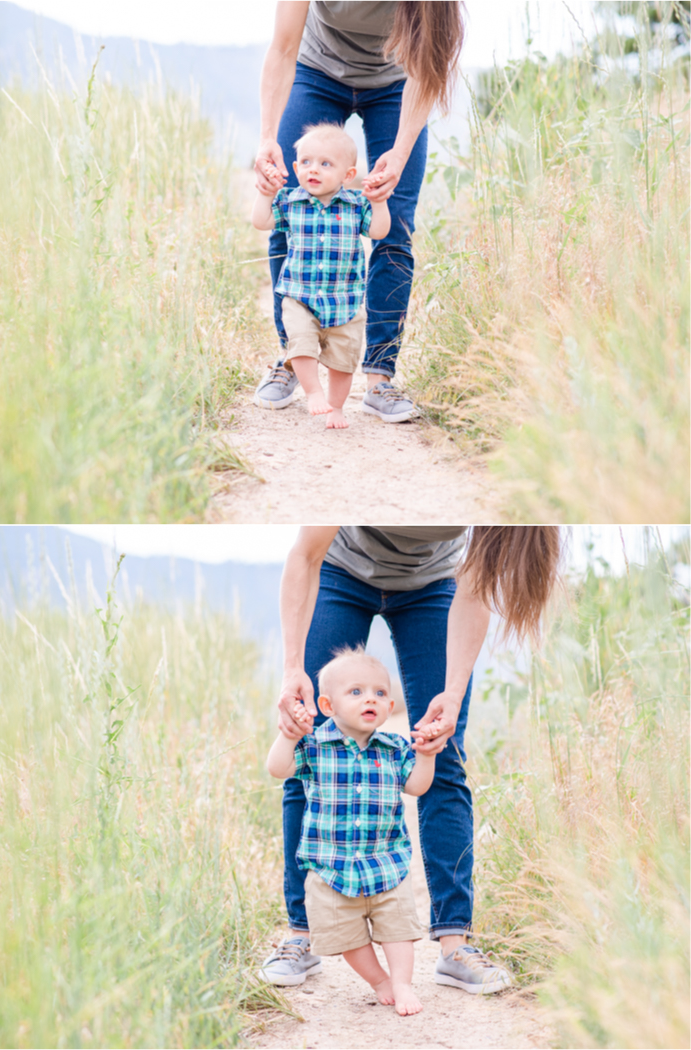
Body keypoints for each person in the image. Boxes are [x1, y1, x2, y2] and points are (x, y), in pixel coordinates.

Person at [259, 526, 561, 995]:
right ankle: (303, 933)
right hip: (343, 570)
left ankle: (454, 943)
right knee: (311, 747)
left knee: (444, 755)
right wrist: (292, 669)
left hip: (434, 584)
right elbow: (305, 554)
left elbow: (476, 585)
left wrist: (454, 694)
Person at [251, 1, 464, 424]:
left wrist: (400, 153)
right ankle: (295, 354)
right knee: (288, 204)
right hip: (317, 71)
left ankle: (380, 376)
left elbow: (427, 68)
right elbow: (283, 47)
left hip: (396, 81)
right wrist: (267, 138)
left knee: (394, 225)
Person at [266, 647, 434, 1016]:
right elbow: (278, 769)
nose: (369, 698)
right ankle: (380, 981)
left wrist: (426, 755)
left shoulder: (394, 749)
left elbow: (417, 787)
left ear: (390, 706)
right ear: (328, 705)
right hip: (330, 870)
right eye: (355, 692)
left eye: (378, 692)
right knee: (348, 938)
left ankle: (403, 983)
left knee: (398, 930)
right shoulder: (314, 746)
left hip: (385, 863)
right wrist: (289, 735)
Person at [251, 122, 391, 429]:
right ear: (295, 166)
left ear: (348, 175)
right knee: (299, 343)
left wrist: (379, 202)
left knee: (343, 359)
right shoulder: (290, 200)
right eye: (306, 162)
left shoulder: (356, 205)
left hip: (345, 300)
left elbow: (379, 231)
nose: (313, 169)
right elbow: (262, 222)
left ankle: (336, 407)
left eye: (325, 164)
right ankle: (313, 392)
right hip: (299, 295)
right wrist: (266, 194)